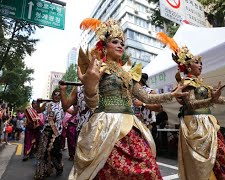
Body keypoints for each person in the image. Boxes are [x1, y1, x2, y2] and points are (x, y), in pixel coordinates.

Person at [69, 18, 188, 180]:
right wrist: (89, 87)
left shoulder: (128, 73)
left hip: (131, 126)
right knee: (108, 170)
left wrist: (172, 95)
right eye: (115, 42)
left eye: (122, 43)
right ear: (104, 46)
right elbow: (92, 104)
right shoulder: (98, 68)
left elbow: (146, 97)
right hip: (106, 127)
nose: (120, 46)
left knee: (149, 168)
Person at [156, 32, 225, 179]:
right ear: (187, 66)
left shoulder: (201, 83)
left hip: (207, 123)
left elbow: (217, 99)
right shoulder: (186, 83)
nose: (200, 65)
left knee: (220, 154)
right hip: (195, 125)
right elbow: (192, 104)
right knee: (202, 160)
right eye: (197, 63)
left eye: (201, 63)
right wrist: (211, 100)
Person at [35, 89, 64, 179]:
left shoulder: (63, 105)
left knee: (54, 152)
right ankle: (43, 171)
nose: (57, 96)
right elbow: (39, 110)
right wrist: (38, 103)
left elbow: (73, 112)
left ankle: (58, 167)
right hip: (46, 130)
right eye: (55, 94)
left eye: (59, 95)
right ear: (52, 95)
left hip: (56, 132)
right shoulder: (47, 104)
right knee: (43, 152)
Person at [132, 73, 162, 141]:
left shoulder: (150, 91)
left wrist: (142, 104)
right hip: (135, 125)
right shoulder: (132, 92)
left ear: (139, 80)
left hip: (148, 126)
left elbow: (158, 107)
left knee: (149, 148)